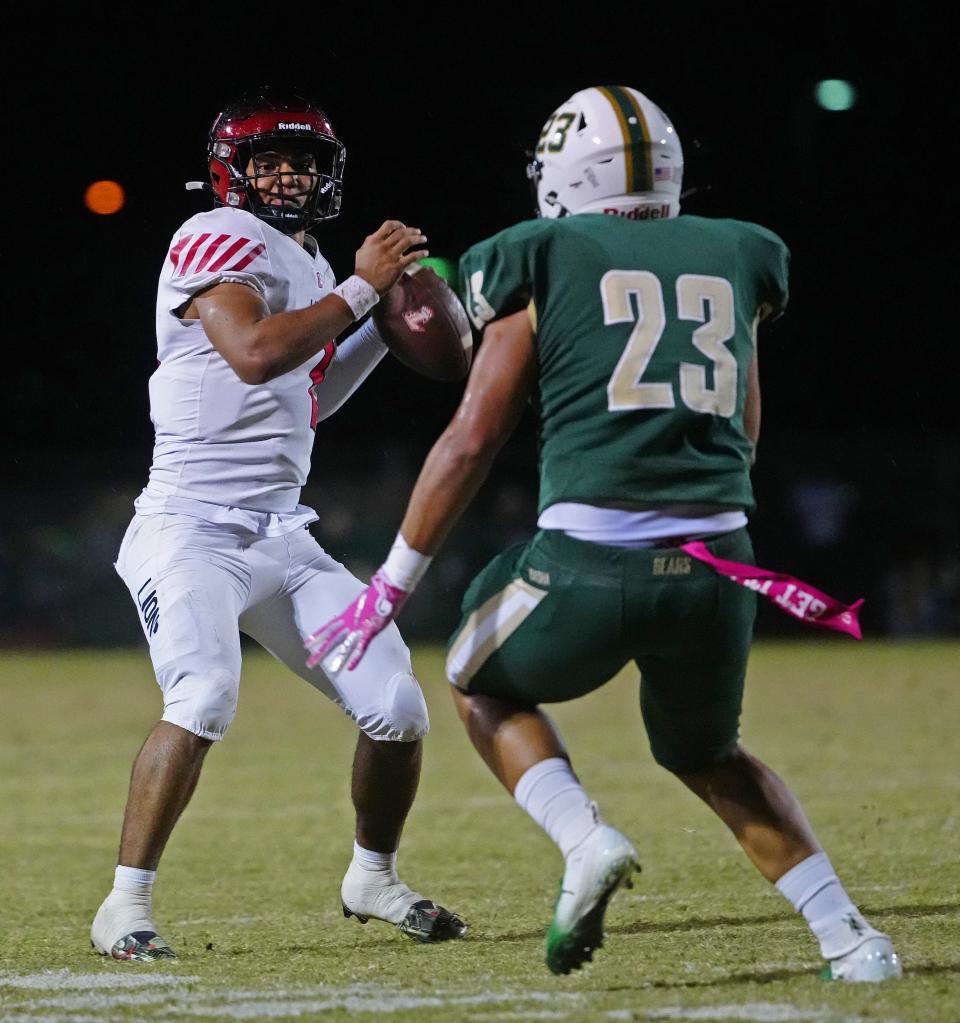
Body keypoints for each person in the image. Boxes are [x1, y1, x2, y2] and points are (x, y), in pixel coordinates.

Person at [304, 85, 901, 981]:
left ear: (562, 179)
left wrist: (390, 581)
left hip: (589, 556)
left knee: (476, 678)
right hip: (718, 561)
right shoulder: (740, 250)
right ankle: (853, 939)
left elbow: (472, 438)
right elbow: (743, 429)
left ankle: (583, 839)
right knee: (710, 752)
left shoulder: (538, 253)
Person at [90, 88, 467, 963]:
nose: (289, 176)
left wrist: (376, 320)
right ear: (233, 172)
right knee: (206, 695)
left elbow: (307, 393)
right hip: (189, 530)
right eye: (269, 162)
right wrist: (362, 287)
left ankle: (372, 875)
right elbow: (255, 354)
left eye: (304, 161)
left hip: (281, 536)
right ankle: (124, 904)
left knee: (398, 708)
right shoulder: (213, 236)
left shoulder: (310, 265)